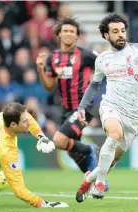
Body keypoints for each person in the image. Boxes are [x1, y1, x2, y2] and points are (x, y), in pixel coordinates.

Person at [75, 13, 138, 202]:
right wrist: (82, 106)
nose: (120, 35)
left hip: (134, 115)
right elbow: (94, 84)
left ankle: (91, 178)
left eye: (123, 31)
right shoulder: (102, 59)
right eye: (115, 31)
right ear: (106, 36)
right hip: (111, 105)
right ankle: (100, 184)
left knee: (112, 160)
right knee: (114, 134)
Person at [0, 102, 68, 208]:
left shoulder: (2, 116)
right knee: (5, 181)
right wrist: (42, 203)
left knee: (4, 171)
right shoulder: (7, 152)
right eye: (25, 122)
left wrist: (40, 136)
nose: (28, 123)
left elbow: (27, 116)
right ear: (14, 125)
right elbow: (19, 190)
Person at [36, 18, 101, 177]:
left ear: (77, 36)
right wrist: (40, 69)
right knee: (72, 150)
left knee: (58, 141)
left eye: (72, 31)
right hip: (65, 108)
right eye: (65, 31)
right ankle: (95, 179)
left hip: (83, 107)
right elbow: (49, 86)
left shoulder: (86, 54)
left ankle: (90, 149)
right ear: (59, 34)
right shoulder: (53, 58)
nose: (68, 34)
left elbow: (104, 64)